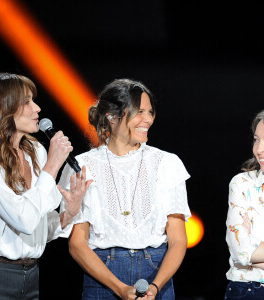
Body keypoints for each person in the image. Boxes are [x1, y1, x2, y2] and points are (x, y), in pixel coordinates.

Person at [59, 79, 191, 300]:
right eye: (139, 112)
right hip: (103, 277)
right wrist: (119, 288)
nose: (147, 119)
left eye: (150, 112)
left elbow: (178, 240)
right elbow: (77, 244)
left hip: (158, 274)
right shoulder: (81, 166)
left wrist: (155, 287)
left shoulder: (167, 163)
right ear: (111, 116)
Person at [0, 72, 92, 299]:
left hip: (31, 274)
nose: (37, 108)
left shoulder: (36, 152)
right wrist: (52, 167)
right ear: (4, 108)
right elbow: (23, 220)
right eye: (26, 102)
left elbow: (39, 227)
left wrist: (68, 212)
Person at [225, 110, 264, 299]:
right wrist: (248, 254)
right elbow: (241, 252)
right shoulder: (242, 184)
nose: (259, 149)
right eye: (256, 139)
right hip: (248, 290)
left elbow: (249, 254)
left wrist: (256, 253)